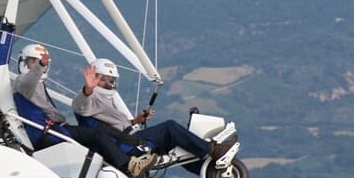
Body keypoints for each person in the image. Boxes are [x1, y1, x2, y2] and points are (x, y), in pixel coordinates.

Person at [13, 44, 156, 178]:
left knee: (97, 137)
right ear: (23, 62)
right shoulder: (23, 84)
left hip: (56, 129)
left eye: (38, 62)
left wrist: (135, 121)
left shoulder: (36, 85)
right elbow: (28, 81)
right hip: (49, 134)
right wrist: (41, 65)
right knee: (96, 133)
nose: (36, 65)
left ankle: (125, 172)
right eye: (33, 61)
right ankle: (128, 166)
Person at [72, 58, 237, 170]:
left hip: (128, 139)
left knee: (175, 145)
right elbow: (81, 107)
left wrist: (136, 120)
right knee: (169, 128)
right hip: (128, 146)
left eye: (112, 80)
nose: (109, 84)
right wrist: (88, 88)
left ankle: (206, 169)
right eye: (105, 79)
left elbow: (113, 128)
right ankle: (214, 150)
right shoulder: (90, 98)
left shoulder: (104, 100)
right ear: (95, 78)